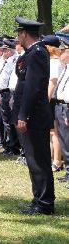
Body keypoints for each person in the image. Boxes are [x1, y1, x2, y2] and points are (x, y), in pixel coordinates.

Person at [12, 16, 54, 215]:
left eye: (19, 33)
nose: (17, 37)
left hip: (34, 116)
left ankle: (45, 203)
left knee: (39, 159)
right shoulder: (32, 53)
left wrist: (24, 115)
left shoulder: (37, 53)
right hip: (30, 115)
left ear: (24, 34)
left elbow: (32, 88)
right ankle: (38, 198)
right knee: (32, 159)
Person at [43, 35, 64, 172]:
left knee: (54, 132)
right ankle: (51, 158)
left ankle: (57, 161)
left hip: (53, 99)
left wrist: (46, 99)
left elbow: (53, 82)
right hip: (52, 99)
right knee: (51, 132)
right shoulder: (53, 61)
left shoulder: (56, 62)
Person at [0, 39, 20, 155]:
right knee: (6, 121)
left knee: (11, 121)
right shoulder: (7, 61)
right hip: (4, 92)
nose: (2, 52)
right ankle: (9, 145)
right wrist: (0, 93)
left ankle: (14, 146)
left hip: (11, 93)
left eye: (4, 50)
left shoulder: (14, 60)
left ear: (10, 51)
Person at [53, 39, 69, 188]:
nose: (60, 53)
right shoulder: (64, 68)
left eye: (63, 51)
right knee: (64, 140)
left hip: (67, 108)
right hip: (60, 106)